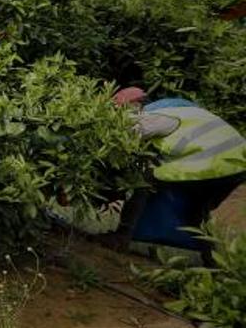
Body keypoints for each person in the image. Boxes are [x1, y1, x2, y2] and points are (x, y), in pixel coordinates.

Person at [103, 87, 245, 263]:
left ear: (134, 106)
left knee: (145, 180)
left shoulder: (152, 115)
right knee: (196, 212)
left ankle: (121, 237)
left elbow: (124, 136)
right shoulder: (181, 109)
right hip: (237, 166)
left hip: (212, 161)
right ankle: (212, 262)